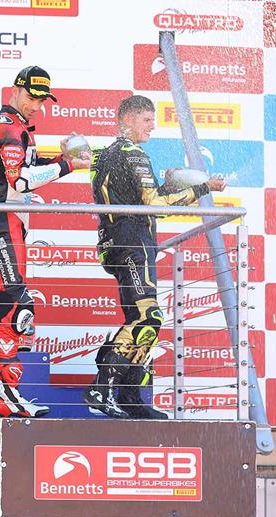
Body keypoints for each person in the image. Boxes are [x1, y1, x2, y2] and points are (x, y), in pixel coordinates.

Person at [0, 66, 91, 417]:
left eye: (43, 100)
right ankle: (6, 395)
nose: (37, 105)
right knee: (20, 306)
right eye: (32, 97)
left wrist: (60, 160)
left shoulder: (12, 126)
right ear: (15, 90)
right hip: (0, 222)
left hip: (1, 222)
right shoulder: (7, 125)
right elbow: (21, 181)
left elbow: (23, 169)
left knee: (6, 307)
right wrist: (68, 167)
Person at [82, 95, 226, 419]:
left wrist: (169, 182)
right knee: (148, 319)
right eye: (147, 119)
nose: (153, 126)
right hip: (133, 243)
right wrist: (204, 187)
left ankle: (131, 397)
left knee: (142, 319)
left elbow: (130, 194)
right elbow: (157, 203)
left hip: (113, 243)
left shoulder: (104, 155)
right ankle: (101, 389)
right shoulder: (134, 154)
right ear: (128, 120)